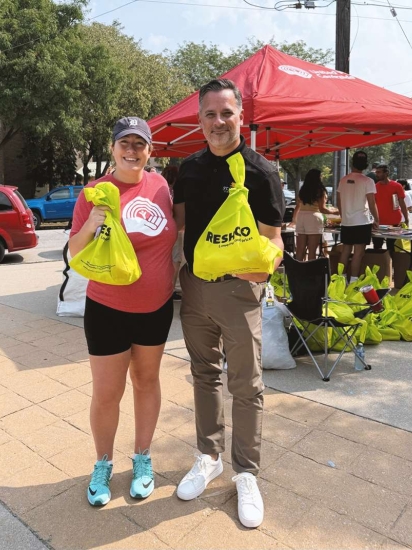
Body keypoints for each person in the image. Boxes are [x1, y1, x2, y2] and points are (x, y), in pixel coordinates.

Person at [172, 78, 284, 529]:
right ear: (200, 120)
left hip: (239, 292)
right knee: (203, 374)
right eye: (210, 114)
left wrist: (263, 270)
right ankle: (209, 455)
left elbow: (273, 241)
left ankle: (247, 473)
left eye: (226, 113)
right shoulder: (189, 168)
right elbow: (180, 231)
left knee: (246, 384)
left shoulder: (262, 172)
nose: (219, 122)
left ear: (242, 116)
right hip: (195, 289)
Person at [68, 116, 177, 506]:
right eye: (124, 143)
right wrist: (92, 224)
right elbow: (75, 252)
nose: (132, 151)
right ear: (112, 148)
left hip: (155, 307)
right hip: (107, 308)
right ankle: (102, 463)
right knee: (107, 392)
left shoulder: (161, 186)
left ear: (150, 150)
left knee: (147, 382)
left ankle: (142, 458)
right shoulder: (95, 193)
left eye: (139, 144)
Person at [337, 150, 380, 282]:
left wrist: (343, 215)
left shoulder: (343, 180)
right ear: (365, 165)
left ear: (352, 163)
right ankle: (353, 282)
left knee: (345, 251)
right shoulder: (368, 181)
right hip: (361, 221)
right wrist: (377, 220)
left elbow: (339, 203)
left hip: (346, 222)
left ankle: (340, 280)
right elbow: (372, 203)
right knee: (358, 253)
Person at [293, 168, 337, 261]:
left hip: (301, 217)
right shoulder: (320, 190)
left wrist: (294, 219)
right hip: (314, 217)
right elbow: (322, 209)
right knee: (312, 250)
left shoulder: (303, 190)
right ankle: (311, 273)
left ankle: (298, 272)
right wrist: (335, 212)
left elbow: (298, 205)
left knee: (300, 249)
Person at [372, 164, 409, 252]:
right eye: (376, 172)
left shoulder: (396, 186)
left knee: (392, 247)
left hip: (394, 222)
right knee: (377, 247)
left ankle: (391, 264)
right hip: (379, 222)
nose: (376, 174)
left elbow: (402, 203)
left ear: (386, 173)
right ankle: (380, 264)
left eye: (379, 172)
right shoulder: (375, 187)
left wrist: (406, 218)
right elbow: (371, 204)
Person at [161, 164, 183, 300]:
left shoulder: (161, 189)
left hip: (161, 229)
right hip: (176, 228)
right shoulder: (178, 191)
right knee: (176, 259)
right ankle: (171, 288)